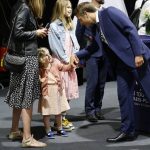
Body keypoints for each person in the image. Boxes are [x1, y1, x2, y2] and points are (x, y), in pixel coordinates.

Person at [72, 2, 150, 142]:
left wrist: (138, 54)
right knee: (123, 96)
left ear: (85, 13)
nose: (82, 23)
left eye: (80, 19)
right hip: (121, 66)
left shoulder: (109, 12)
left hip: (137, 60)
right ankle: (128, 131)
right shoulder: (96, 27)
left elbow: (130, 29)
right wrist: (77, 55)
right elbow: (93, 47)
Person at [5, 0, 47, 148]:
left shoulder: (18, 5)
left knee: (18, 95)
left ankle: (15, 130)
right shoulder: (25, 8)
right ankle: (27, 138)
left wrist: (35, 30)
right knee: (26, 98)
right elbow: (18, 32)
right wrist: (36, 32)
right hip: (26, 59)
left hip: (18, 58)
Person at [48, 0, 80, 131]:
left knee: (68, 92)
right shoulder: (54, 26)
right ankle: (59, 120)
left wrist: (75, 57)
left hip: (69, 64)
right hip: (61, 64)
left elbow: (74, 44)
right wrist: (67, 61)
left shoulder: (70, 25)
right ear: (60, 8)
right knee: (61, 93)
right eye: (67, 7)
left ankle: (62, 118)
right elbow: (56, 48)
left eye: (71, 7)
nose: (70, 9)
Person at [76, 0, 108, 122]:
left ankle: (98, 109)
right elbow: (79, 33)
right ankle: (89, 110)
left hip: (105, 53)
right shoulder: (84, 11)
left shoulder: (104, 12)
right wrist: (84, 51)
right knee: (92, 83)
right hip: (92, 54)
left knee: (101, 84)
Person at [38, 47, 72, 138]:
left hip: (56, 90)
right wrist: (41, 80)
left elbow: (65, 67)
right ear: (41, 58)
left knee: (58, 111)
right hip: (47, 92)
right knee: (47, 112)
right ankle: (48, 129)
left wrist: (71, 64)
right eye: (46, 55)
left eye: (49, 53)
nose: (49, 56)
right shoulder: (40, 68)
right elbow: (38, 79)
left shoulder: (55, 63)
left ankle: (59, 128)